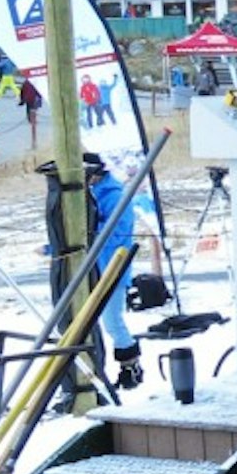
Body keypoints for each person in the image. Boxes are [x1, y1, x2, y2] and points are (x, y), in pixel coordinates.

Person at [83, 152, 144, 389]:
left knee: (112, 320)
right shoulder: (91, 194)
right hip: (92, 267)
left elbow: (117, 234)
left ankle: (131, 365)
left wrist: (91, 236)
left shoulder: (115, 196)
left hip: (112, 267)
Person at [18, 76, 42, 149]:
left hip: (28, 99)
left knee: (29, 109)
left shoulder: (26, 82)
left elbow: (22, 92)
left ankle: (31, 119)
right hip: (35, 99)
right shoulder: (36, 83)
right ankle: (33, 119)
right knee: (34, 109)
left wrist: (21, 100)